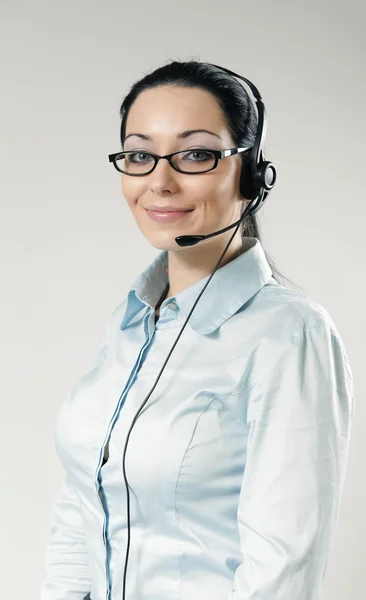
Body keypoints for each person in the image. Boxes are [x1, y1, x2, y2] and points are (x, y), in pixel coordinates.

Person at [40, 60, 355, 600]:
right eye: (139, 154)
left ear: (252, 174)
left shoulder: (288, 333)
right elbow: (82, 507)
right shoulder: (133, 318)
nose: (160, 181)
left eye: (195, 154)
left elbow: (283, 571)